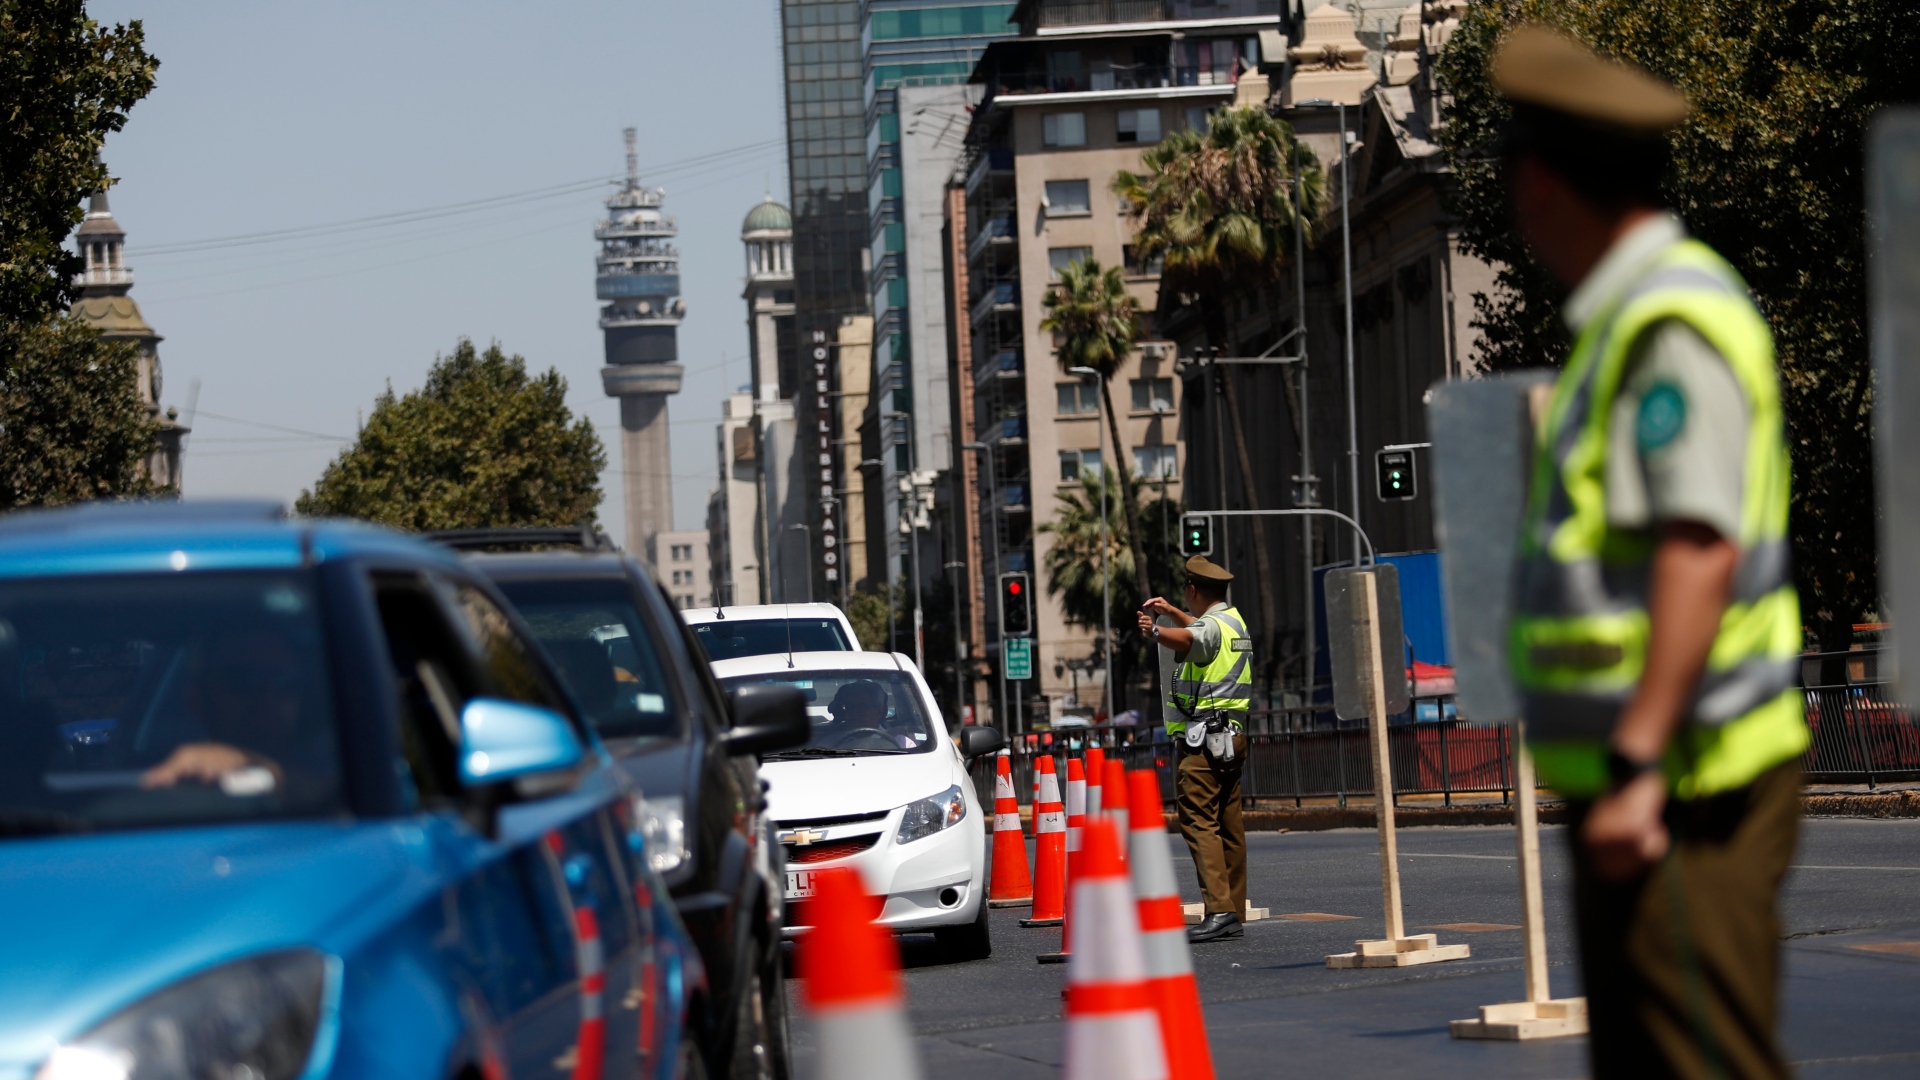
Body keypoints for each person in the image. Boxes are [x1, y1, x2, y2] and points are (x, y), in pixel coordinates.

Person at [1494, 25, 1808, 1079]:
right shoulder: (1627, 321)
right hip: (1650, 784)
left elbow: (1698, 546)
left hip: (1684, 787)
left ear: (1541, 184)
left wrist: (1634, 764)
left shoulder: (1670, 321)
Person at [1138, 556, 1250, 943]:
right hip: (1233, 736)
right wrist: (1172, 612)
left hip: (1205, 740)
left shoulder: (1209, 629)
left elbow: (1192, 639)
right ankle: (1233, 908)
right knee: (1229, 824)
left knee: (1199, 821)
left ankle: (1219, 910)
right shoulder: (1233, 622)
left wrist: (1155, 631)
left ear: (1193, 590)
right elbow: (1200, 630)